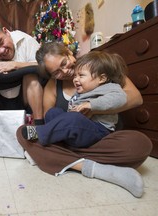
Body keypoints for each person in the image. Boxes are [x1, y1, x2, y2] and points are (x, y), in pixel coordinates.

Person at [16, 41, 153, 198]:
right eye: (56, 72)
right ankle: (97, 168)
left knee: (140, 143)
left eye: (64, 63)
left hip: (101, 140)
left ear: (68, 52)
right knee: (24, 131)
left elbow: (133, 98)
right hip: (72, 138)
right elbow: (50, 119)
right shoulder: (53, 86)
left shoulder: (97, 66)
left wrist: (92, 107)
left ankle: (55, 156)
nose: (65, 72)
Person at [22, 51, 127, 148]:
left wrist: (91, 105)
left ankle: (40, 134)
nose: (75, 79)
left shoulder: (109, 87)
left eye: (81, 75)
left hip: (98, 131)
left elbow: (121, 98)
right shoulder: (80, 92)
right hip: (78, 132)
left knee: (73, 119)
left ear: (101, 78)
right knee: (53, 112)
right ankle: (58, 139)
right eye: (75, 76)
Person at [0, 20, 44, 125]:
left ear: (6, 32)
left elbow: (45, 65)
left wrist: (16, 65)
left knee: (31, 77)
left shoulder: (26, 41)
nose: (1, 50)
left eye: (1, 42)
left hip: (24, 98)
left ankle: (40, 125)